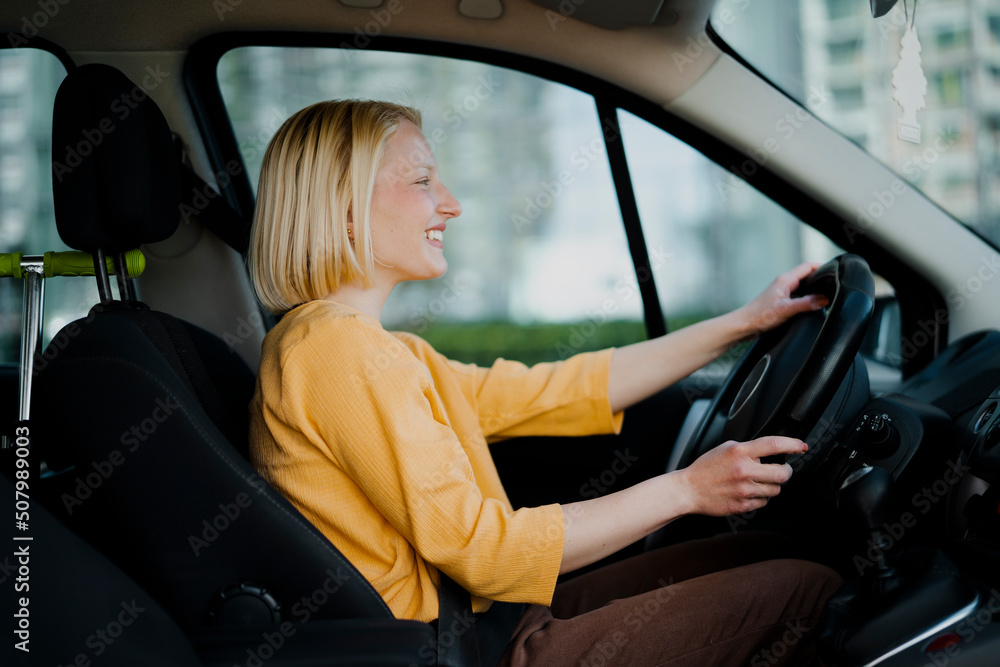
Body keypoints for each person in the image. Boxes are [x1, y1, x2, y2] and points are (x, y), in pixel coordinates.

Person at [247, 99, 843, 666]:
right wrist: (687, 490)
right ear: (345, 207)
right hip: (462, 651)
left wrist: (746, 322)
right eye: (424, 181)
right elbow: (486, 553)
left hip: (486, 624)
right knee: (806, 590)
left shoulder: (385, 351)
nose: (451, 204)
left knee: (766, 552)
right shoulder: (333, 349)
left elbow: (563, 390)